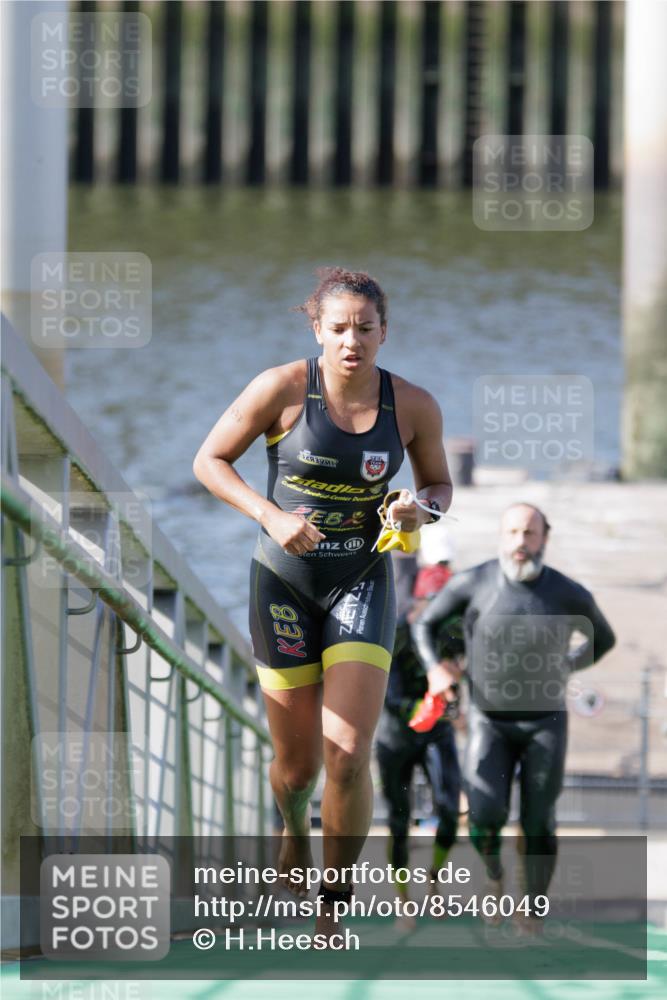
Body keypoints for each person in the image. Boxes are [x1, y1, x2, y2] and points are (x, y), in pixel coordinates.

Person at [193, 266, 453, 940]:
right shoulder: (280, 389)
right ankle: (289, 828)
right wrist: (269, 514)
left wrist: (415, 508)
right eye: (337, 328)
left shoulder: (413, 406)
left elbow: (439, 487)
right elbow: (210, 462)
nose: (351, 342)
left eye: (364, 329)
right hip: (282, 583)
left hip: (362, 580)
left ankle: (332, 903)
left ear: (383, 332)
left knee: (346, 752)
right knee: (297, 765)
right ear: (317, 329)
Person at [410, 502, 616, 930]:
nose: (521, 542)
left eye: (530, 534)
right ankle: (494, 875)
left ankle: (532, 905)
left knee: (539, 820)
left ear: (545, 538)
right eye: (514, 533)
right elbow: (425, 625)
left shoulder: (566, 593)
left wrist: (568, 665)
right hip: (489, 720)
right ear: (502, 536)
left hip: (546, 721)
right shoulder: (474, 583)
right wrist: (435, 670)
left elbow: (604, 638)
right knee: (485, 815)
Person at [376, 548, 464, 930]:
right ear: (419, 603)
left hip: (437, 733)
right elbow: (391, 698)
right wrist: (433, 701)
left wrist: (454, 696)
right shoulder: (394, 633)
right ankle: (403, 901)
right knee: (398, 823)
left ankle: (434, 883)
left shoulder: (453, 634)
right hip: (396, 737)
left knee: (449, 812)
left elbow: (461, 686)